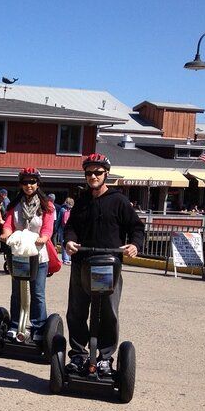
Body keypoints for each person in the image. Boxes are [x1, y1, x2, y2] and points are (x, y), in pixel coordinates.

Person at [63, 153, 144, 376]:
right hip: (82, 263)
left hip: (108, 266)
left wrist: (134, 245)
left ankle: (105, 358)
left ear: (106, 174)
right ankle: (79, 355)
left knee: (108, 312)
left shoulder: (119, 201)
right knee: (77, 311)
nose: (93, 176)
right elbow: (70, 227)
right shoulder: (81, 201)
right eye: (89, 173)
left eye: (97, 172)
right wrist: (69, 240)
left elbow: (136, 228)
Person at [0, 168, 55, 342]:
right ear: (21, 184)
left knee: (37, 293)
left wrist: (44, 237)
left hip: (38, 255)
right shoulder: (14, 205)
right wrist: (5, 233)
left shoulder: (46, 206)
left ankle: (38, 327)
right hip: (19, 255)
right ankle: (16, 325)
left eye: (32, 182)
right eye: (25, 182)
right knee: (17, 293)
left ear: (38, 184)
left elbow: (47, 227)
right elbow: (8, 224)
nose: (29, 185)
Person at [60, 197, 74, 265]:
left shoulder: (62, 209)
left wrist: (56, 228)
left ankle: (65, 259)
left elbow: (59, 219)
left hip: (63, 228)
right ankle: (69, 258)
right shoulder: (73, 210)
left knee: (64, 243)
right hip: (71, 228)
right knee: (71, 242)